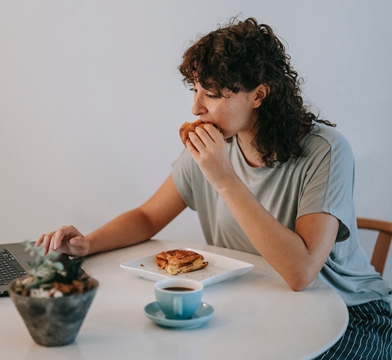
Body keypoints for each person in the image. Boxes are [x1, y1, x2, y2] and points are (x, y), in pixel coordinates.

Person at [36, 17, 392, 359]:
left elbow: (301, 273)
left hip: (350, 313)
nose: (195, 107)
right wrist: (88, 244)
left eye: (212, 93)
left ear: (258, 95)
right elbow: (147, 217)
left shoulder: (326, 151)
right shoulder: (211, 147)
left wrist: (224, 179)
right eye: (194, 90)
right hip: (254, 306)